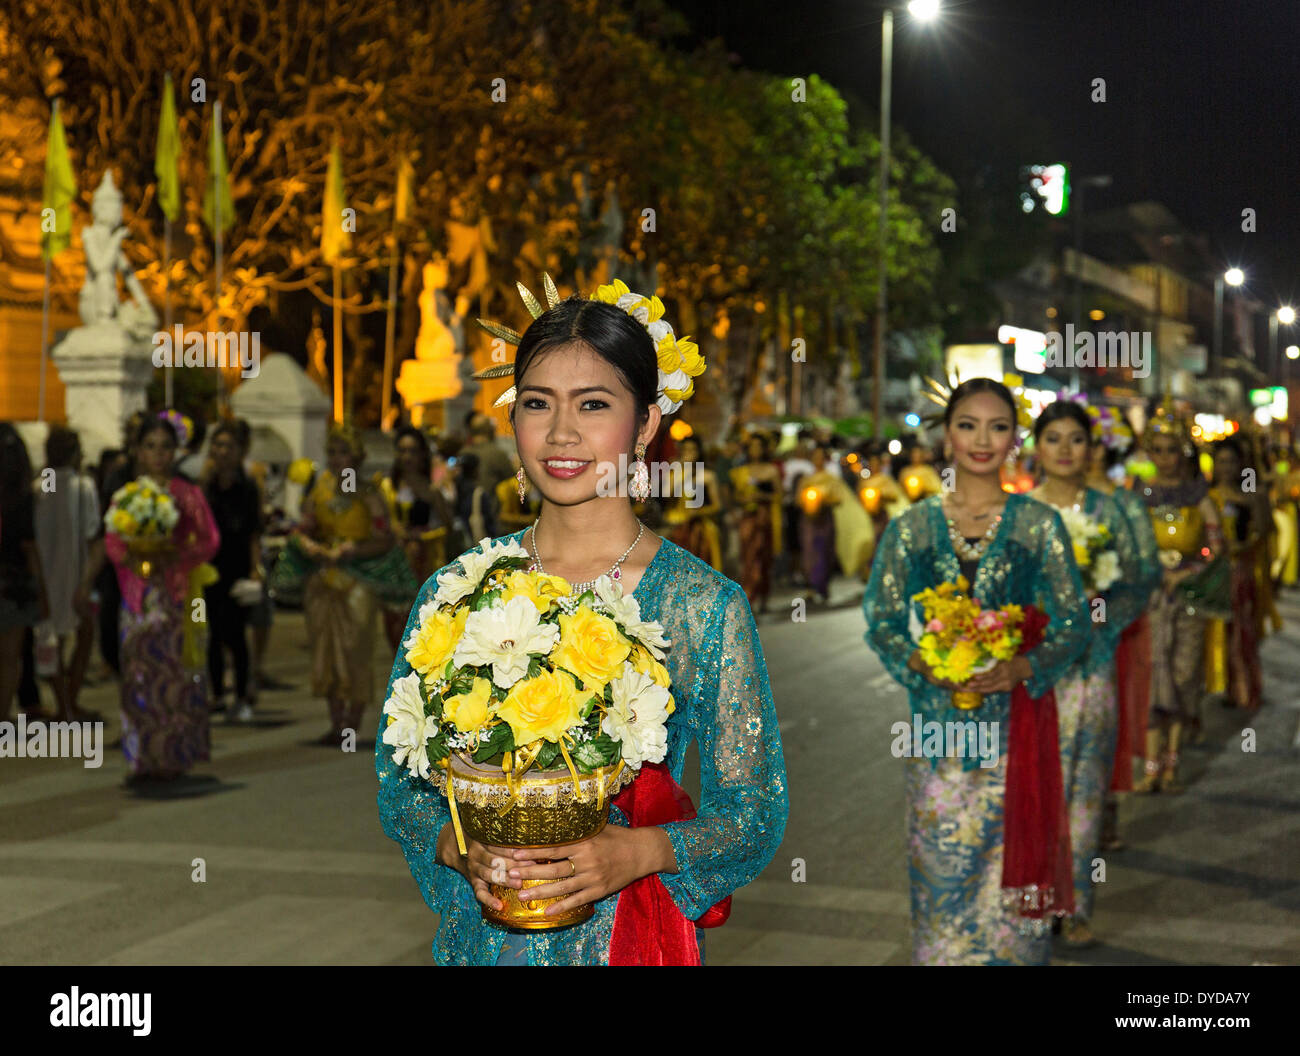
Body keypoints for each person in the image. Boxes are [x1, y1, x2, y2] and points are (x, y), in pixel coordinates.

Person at [376, 280, 787, 965]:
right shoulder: (460, 591)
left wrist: (644, 850)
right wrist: (456, 845)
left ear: (646, 424)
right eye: (537, 404)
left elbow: (753, 812)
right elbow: (400, 786)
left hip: (628, 935)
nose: (561, 433)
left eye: (593, 405)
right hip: (487, 940)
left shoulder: (700, 605)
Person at [863, 379, 1089, 965]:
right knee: (941, 875)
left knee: (1011, 888)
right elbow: (882, 620)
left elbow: (1073, 624)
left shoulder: (1038, 526)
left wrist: (1021, 665)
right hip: (937, 737)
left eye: (997, 426)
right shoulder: (910, 528)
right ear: (946, 436)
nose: (982, 440)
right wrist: (923, 664)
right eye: (968, 424)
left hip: (1019, 737)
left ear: (1016, 438)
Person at [1028, 401, 1159, 947]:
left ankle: (1076, 903)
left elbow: (1140, 577)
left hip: (1092, 667)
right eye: (1052, 437)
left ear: (1091, 447)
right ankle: (1032, 897)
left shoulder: (1115, 510)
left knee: (1083, 790)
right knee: (1033, 787)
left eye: (1075, 439)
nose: (1064, 449)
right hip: (1031, 673)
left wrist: (1095, 616)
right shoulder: (1016, 513)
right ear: (1035, 447)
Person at [104, 415, 220, 782]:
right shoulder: (127, 496)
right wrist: (133, 556)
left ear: (175, 452)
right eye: (150, 446)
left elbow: (209, 539)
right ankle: (141, 759)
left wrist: (175, 556)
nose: (158, 454)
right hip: (137, 595)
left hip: (174, 595)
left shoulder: (187, 494)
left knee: (172, 675)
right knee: (137, 672)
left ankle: (172, 756)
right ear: (138, 451)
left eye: (165, 447)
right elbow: (111, 540)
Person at [285, 425, 414, 744]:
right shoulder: (320, 491)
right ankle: (336, 721)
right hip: (323, 581)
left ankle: (350, 727)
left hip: (358, 582)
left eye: (343, 452)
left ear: (357, 458)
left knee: (355, 651)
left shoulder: (370, 494)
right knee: (325, 652)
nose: (336, 459)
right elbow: (303, 529)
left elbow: (386, 539)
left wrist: (354, 549)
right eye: (332, 452)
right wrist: (310, 546)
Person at [1134, 401, 1221, 794]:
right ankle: (1150, 766)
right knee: (1153, 676)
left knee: (1183, 676)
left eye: (1171, 450)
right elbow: (1127, 547)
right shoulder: (1138, 494)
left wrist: (1186, 573)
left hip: (1188, 599)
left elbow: (1216, 549)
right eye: (1157, 449)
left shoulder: (1199, 497)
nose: (1164, 458)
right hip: (1151, 599)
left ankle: (1172, 759)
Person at [33, 427, 101, 721]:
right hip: (76, 574)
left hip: (44, 573)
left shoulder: (42, 484)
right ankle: (68, 702)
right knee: (83, 633)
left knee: (53, 642)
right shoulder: (82, 486)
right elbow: (91, 532)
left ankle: (66, 703)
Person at [202, 421, 264, 723]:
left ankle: (241, 694)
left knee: (236, 633)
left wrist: (255, 568)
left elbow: (254, 531)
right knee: (211, 632)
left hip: (237, 564)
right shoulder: (206, 486)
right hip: (209, 568)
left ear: (240, 451)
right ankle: (216, 693)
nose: (223, 452)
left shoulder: (247, 487)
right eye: (218, 445)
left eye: (229, 446)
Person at [1204, 436, 1268, 710]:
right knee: (1211, 631)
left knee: (1241, 630)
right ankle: (1216, 684)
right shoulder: (1205, 498)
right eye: (1221, 462)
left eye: (1231, 461)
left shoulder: (1250, 496)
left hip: (1239, 572)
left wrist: (1244, 544)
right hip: (1210, 573)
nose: (1226, 467)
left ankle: (1243, 688)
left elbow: (1263, 531)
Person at [379, 426, 453, 650]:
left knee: (425, 633)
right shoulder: (386, 487)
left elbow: (449, 524)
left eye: (413, 451)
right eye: (402, 451)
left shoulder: (434, 487)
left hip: (426, 566)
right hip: (395, 568)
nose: (407, 457)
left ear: (422, 454)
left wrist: (431, 496)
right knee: (395, 630)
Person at [0, 425, 50, 721]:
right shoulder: (23, 498)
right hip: (14, 584)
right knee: (9, 658)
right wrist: (42, 592)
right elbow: (31, 549)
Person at [729, 434, 781, 614]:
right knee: (748, 558)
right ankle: (749, 597)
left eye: (759, 446)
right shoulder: (741, 471)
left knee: (764, 558)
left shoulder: (771, 470)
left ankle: (763, 597)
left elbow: (778, 495)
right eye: (752, 446)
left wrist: (762, 496)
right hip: (747, 518)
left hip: (764, 518)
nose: (755, 450)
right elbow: (735, 496)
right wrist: (744, 499)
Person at [662, 434, 722, 570]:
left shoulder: (707, 476)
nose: (688, 454)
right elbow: (668, 495)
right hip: (677, 527)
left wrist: (698, 512)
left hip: (699, 529)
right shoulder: (675, 473)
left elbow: (717, 506)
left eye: (692, 450)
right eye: (685, 450)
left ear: (699, 452)